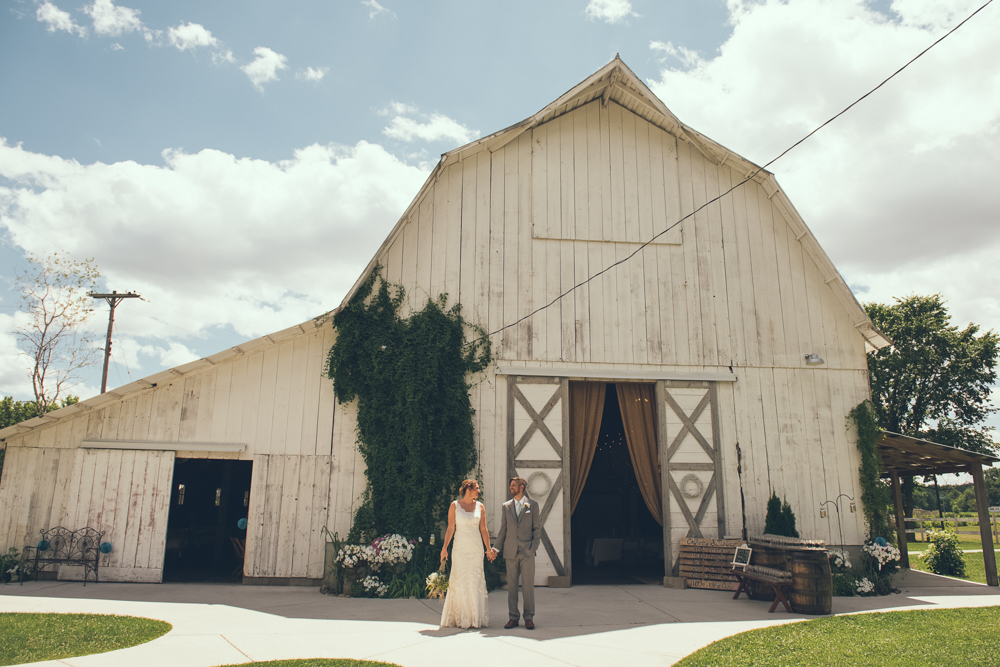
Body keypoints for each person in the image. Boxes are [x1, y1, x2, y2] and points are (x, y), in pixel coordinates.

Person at [439, 479, 494, 629]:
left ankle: (474, 617)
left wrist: (488, 549)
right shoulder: (454, 506)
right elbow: (450, 528)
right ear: (468, 489)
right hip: (460, 548)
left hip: (476, 548)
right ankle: (460, 617)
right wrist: (444, 548)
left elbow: (483, 529)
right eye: (476, 488)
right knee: (460, 579)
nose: (479, 491)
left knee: (475, 580)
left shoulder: (480, 507)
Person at [488, 477, 541, 630]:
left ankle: (529, 617)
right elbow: (503, 530)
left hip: (527, 552)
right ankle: (513, 618)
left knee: (528, 587)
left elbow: (537, 528)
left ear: (522, 487)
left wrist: (533, 547)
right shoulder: (506, 506)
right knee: (512, 587)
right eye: (510, 485)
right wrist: (495, 549)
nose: (511, 487)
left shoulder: (533, 505)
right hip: (510, 552)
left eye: (513, 485)